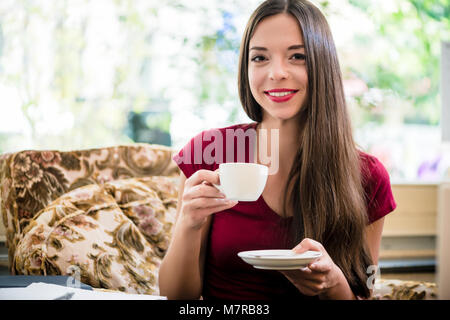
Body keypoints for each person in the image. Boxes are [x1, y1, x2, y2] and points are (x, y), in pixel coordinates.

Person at [158, 0, 396, 300]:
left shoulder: (369, 176)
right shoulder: (210, 150)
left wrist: (334, 282)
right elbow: (177, 298)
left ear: (323, 64)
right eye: (260, 58)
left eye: (297, 56)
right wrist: (188, 225)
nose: (277, 72)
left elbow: (367, 290)